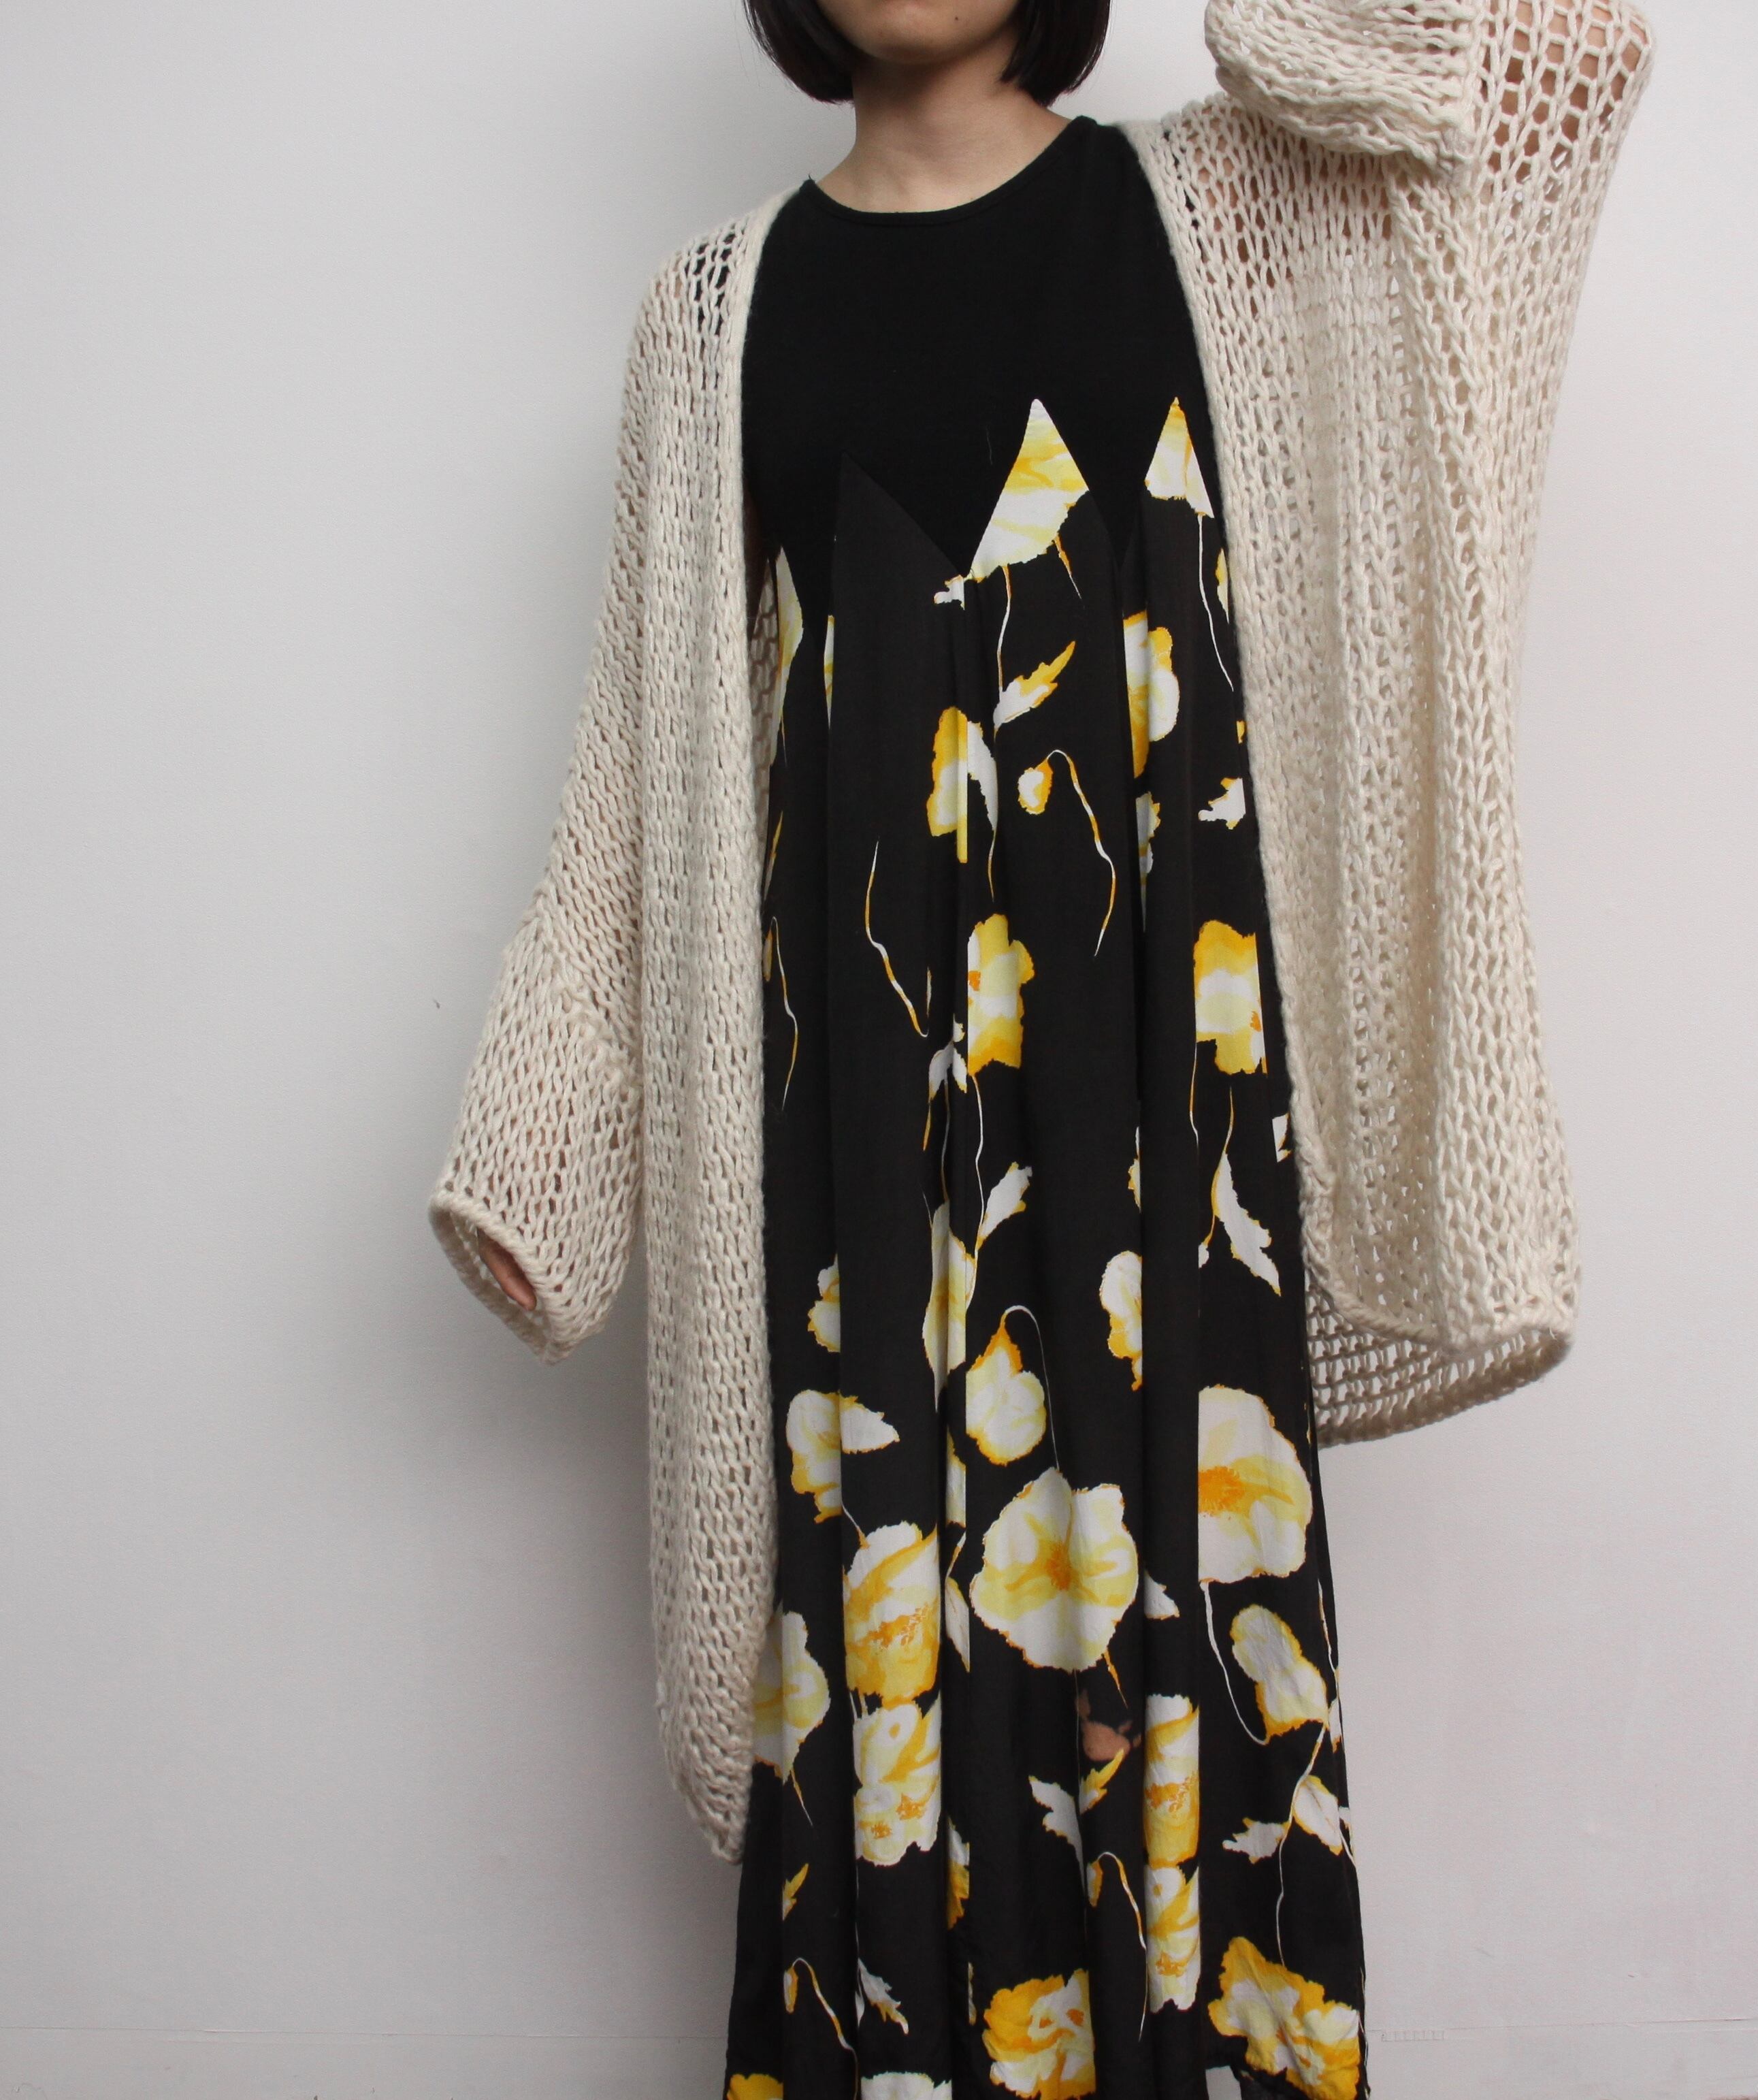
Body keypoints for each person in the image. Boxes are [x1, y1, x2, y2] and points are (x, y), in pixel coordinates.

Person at [429, 3, 1655, 2095]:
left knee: (1186, 1676)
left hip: (1172, 1161)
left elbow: (1555, 64)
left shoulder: (1222, 215)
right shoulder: (711, 315)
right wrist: (537, 1148)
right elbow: (640, 789)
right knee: (883, 1722)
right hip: (857, 1190)